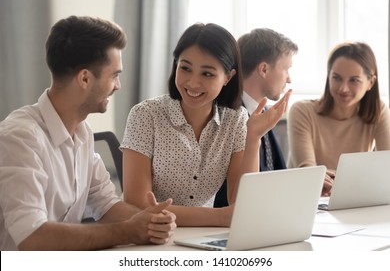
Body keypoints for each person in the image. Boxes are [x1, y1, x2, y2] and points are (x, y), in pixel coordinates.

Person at [0, 16, 176, 251]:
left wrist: (151, 221)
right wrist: (127, 231)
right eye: (114, 75)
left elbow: (106, 205)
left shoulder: (82, 133)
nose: (118, 85)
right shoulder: (20, 138)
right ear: (84, 78)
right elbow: (32, 237)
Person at [120, 23, 291, 227]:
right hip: (150, 234)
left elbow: (240, 203)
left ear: (228, 77)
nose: (192, 83)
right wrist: (222, 217)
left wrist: (253, 138)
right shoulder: (146, 115)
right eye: (185, 68)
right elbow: (138, 204)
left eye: (207, 74)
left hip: (204, 237)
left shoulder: (236, 120)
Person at [287, 41, 390, 196]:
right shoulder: (302, 111)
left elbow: (386, 167)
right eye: (337, 78)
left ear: (371, 82)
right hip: (309, 198)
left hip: (355, 198)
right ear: (328, 77)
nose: (343, 88)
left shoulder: (378, 110)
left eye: (354, 80)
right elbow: (309, 173)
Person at [214, 28, 298, 207]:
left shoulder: (262, 111)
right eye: (287, 69)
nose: (289, 79)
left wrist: (304, 187)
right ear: (264, 69)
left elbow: (273, 173)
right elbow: (224, 195)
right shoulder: (226, 114)